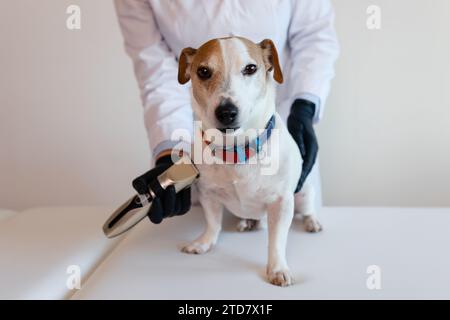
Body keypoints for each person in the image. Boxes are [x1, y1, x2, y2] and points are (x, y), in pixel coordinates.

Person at [114, 0, 339, 224]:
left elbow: (314, 37)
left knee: (299, 225)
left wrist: (304, 106)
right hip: (205, 151)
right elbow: (157, 71)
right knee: (200, 244)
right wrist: (169, 153)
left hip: (277, 134)